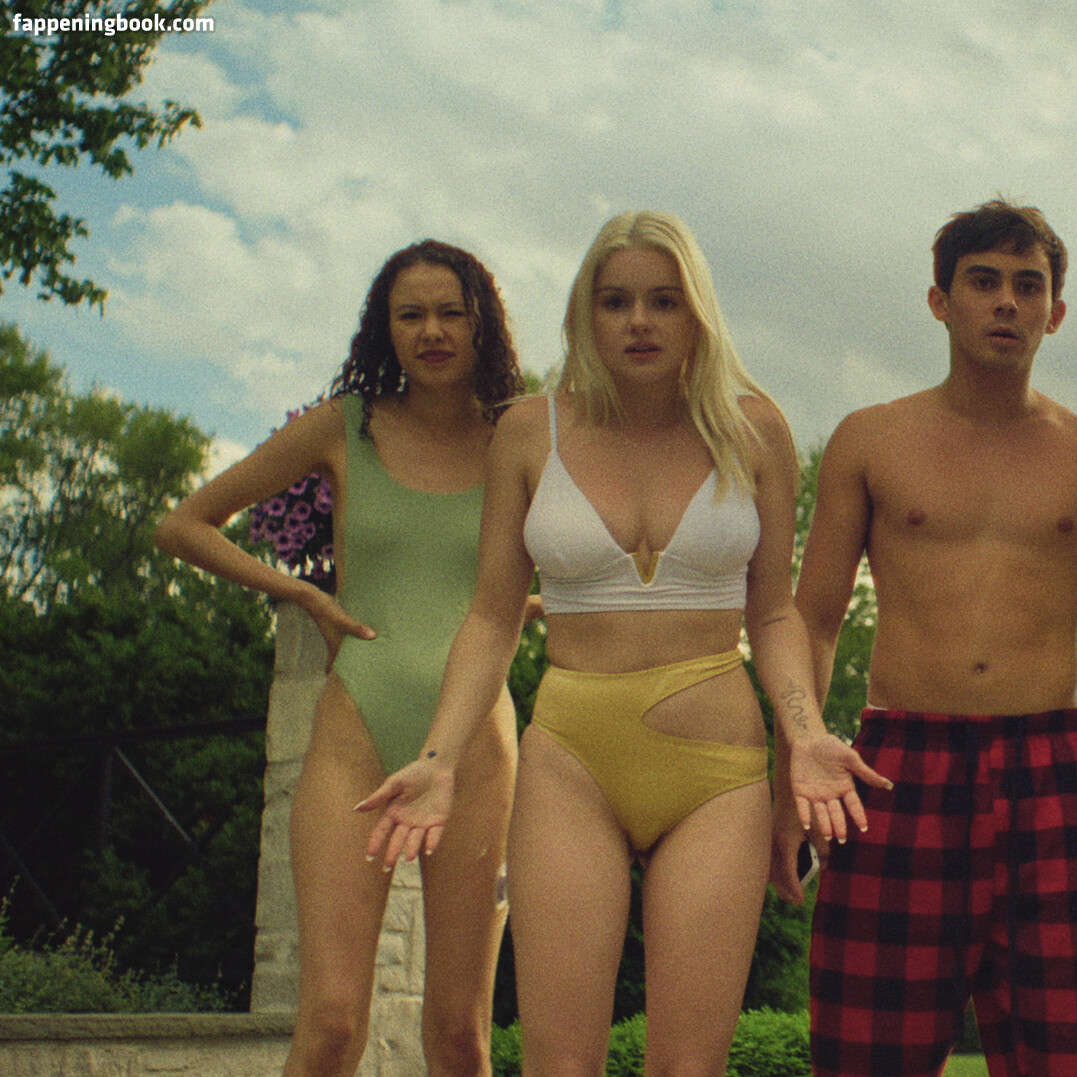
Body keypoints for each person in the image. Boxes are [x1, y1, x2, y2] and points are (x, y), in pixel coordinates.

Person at [358, 211, 878, 1077]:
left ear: (697, 313)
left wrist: (806, 733)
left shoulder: (755, 430)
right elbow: (491, 617)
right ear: (585, 314)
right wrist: (440, 757)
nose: (640, 321)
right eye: (617, 301)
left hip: (716, 769)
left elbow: (774, 614)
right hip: (571, 760)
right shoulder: (529, 431)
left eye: (664, 300)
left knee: (686, 1068)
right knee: (560, 1065)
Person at [791, 199, 1077, 1077]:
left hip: (1050, 766)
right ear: (940, 301)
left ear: (1056, 312)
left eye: (1028, 285)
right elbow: (811, 617)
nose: (1007, 301)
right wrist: (800, 749)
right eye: (984, 282)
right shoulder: (871, 439)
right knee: (866, 1056)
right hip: (896, 767)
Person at [155, 241, 523, 1077]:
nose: (431, 331)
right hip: (355, 729)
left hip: (478, 748)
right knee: (328, 1023)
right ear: (383, 328)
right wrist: (307, 594)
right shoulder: (345, 425)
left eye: (450, 312)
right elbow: (183, 525)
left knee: (460, 1037)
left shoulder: (519, 435)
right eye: (410, 314)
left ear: (482, 323)